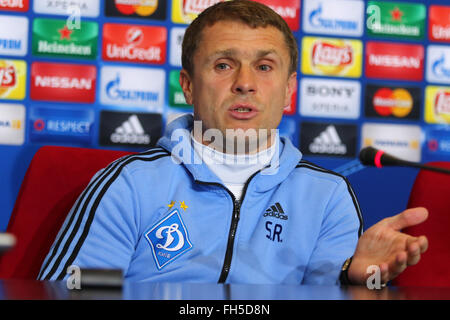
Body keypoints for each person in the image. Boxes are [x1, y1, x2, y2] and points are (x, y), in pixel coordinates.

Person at [38, 0, 428, 286]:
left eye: (264, 66)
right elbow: (69, 292)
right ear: (188, 85)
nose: (245, 83)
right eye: (223, 65)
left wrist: (355, 282)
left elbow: (336, 290)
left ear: (289, 90)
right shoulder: (127, 184)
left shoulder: (328, 196)